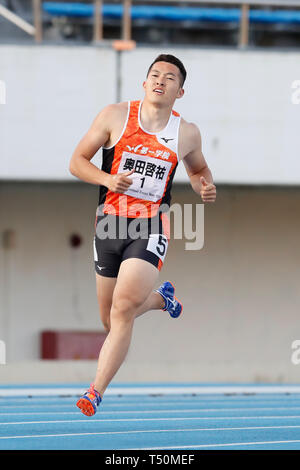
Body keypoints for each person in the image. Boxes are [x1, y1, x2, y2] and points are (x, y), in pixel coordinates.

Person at [69, 54, 216, 416]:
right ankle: (162, 300)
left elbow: (198, 168)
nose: (160, 80)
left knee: (122, 310)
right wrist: (107, 179)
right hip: (109, 223)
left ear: (180, 91)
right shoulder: (115, 116)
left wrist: (203, 185)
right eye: (154, 74)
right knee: (110, 319)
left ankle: (95, 392)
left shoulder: (186, 132)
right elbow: (77, 162)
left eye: (169, 77)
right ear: (144, 82)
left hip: (151, 224)